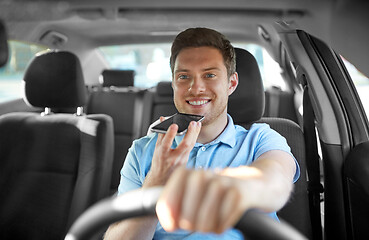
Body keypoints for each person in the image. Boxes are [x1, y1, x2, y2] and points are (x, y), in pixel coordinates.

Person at [104, 27, 299, 240]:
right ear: (174, 84)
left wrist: (239, 187)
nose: (196, 88)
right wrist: (155, 184)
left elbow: (275, 179)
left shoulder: (261, 139)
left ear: (231, 83)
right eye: (184, 76)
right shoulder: (143, 150)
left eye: (209, 75)